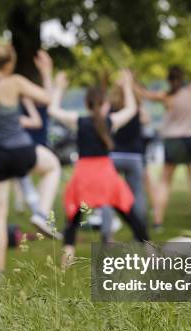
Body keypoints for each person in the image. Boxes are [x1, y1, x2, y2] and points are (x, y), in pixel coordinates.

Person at [0, 44, 61, 273]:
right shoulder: (15, 82)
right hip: (20, 150)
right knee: (52, 166)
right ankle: (41, 213)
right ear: (9, 62)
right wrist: (46, 71)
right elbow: (47, 99)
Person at [48, 70, 149, 267]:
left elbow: (52, 110)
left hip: (84, 175)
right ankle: (149, 251)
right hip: (105, 175)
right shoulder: (110, 122)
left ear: (87, 104)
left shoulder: (79, 121)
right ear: (105, 105)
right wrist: (127, 86)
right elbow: (131, 109)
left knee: (74, 219)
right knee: (128, 212)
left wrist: (59, 87)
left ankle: (65, 261)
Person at [138, 66, 191, 230]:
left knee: (165, 182)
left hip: (173, 140)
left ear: (169, 80)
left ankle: (157, 222)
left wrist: (131, 81)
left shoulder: (167, 96)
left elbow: (144, 94)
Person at [100, 81, 150, 242]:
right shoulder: (137, 109)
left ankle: (107, 235)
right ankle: (139, 233)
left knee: (107, 196)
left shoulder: (111, 109)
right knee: (137, 195)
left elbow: (101, 119)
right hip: (134, 156)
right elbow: (146, 121)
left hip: (113, 156)